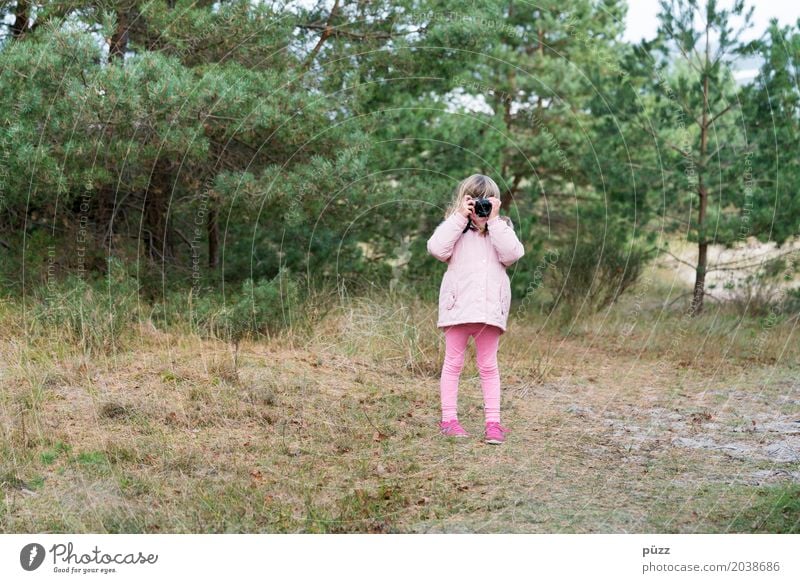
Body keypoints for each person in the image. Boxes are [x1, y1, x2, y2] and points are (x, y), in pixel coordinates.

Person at [426, 174, 525, 445]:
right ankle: (449, 420)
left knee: (489, 367)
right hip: (458, 309)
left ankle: (493, 423)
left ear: (495, 203)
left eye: (486, 202)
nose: (480, 208)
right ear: (464, 201)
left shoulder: (501, 227)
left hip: (489, 312)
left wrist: (493, 221)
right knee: (453, 364)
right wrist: (459, 217)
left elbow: (513, 254)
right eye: (475, 202)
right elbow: (436, 248)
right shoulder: (455, 227)